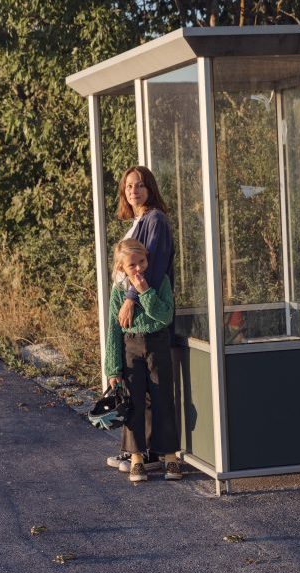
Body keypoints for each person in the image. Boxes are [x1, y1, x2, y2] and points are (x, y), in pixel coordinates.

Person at [105, 165, 175, 475]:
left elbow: (154, 266)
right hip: (131, 332)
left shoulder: (155, 219)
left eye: (141, 185)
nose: (135, 190)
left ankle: (157, 452)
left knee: (158, 395)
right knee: (138, 396)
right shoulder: (140, 220)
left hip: (149, 318)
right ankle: (137, 453)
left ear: (151, 189)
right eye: (130, 186)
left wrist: (133, 298)